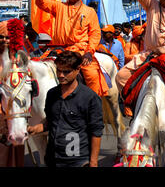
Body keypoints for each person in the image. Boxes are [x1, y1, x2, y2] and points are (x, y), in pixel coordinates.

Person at [35, 0, 109, 97]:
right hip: (58, 50)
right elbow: (40, 2)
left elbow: (95, 34)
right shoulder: (59, 7)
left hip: (80, 51)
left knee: (91, 75)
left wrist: (89, 52)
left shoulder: (89, 11)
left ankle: (93, 104)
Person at [27, 51, 104, 167]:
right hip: (53, 159)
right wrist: (34, 129)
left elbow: (96, 132)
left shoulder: (90, 98)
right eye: (59, 70)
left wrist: (93, 162)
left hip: (78, 161)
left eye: (66, 71)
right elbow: (49, 122)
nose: (61, 75)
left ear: (78, 70)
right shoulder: (51, 94)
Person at [0, 20, 25, 167]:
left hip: (15, 111)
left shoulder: (18, 59)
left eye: (8, 37)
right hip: (1, 112)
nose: (4, 40)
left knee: (17, 142)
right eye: (1, 37)